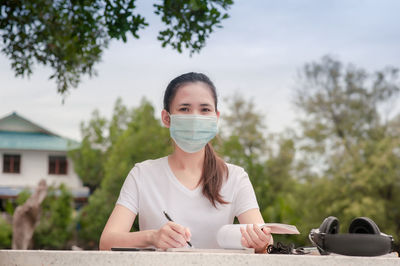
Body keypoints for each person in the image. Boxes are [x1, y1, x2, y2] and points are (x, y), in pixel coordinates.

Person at [99, 72, 273, 253]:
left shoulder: (236, 178)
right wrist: (153, 237)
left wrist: (261, 242)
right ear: (166, 118)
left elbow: (266, 243)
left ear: (216, 117)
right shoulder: (142, 174)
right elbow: (107, 242)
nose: (195, 117)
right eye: (184, 109)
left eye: (205, 109)